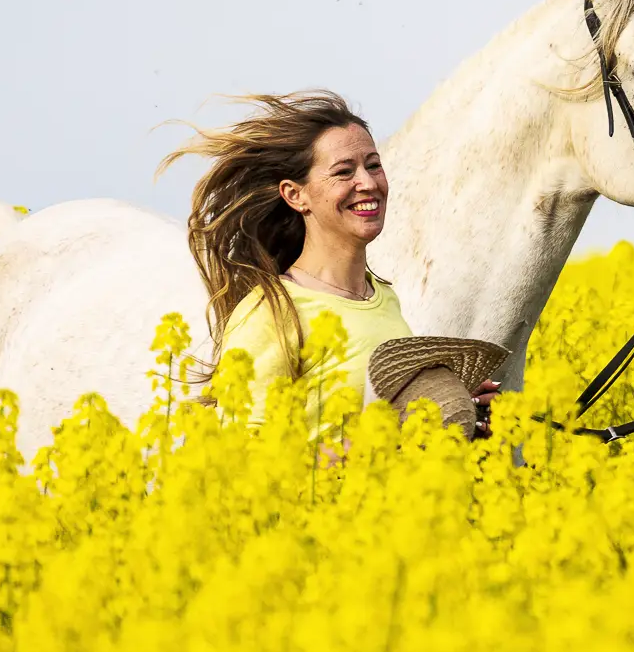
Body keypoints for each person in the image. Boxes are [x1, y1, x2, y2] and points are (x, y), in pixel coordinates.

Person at [164, 91, 499, 433]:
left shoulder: (382, 298)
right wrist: (359, 449)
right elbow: (241, 453)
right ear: (296, 195)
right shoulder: (271, 312)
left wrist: (450, 408)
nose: (367, 183)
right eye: (343, 172)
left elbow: (381, 415)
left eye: (373, 165)